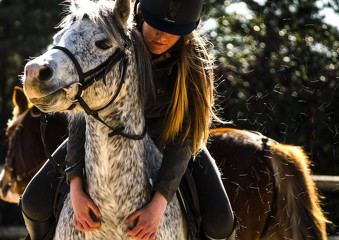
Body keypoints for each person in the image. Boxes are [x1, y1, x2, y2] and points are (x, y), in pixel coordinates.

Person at [20, 0, 237, 239]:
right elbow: (83, 111)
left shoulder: (193, 64)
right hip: (98, 133)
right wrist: (75, 185)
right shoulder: (115, 35)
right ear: (142, 15)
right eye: (154, 26)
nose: (161, 36)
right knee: (33, 202)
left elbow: (185, 136)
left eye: (174, 32)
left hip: (173, 140)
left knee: (221, 221)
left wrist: (159, 203)